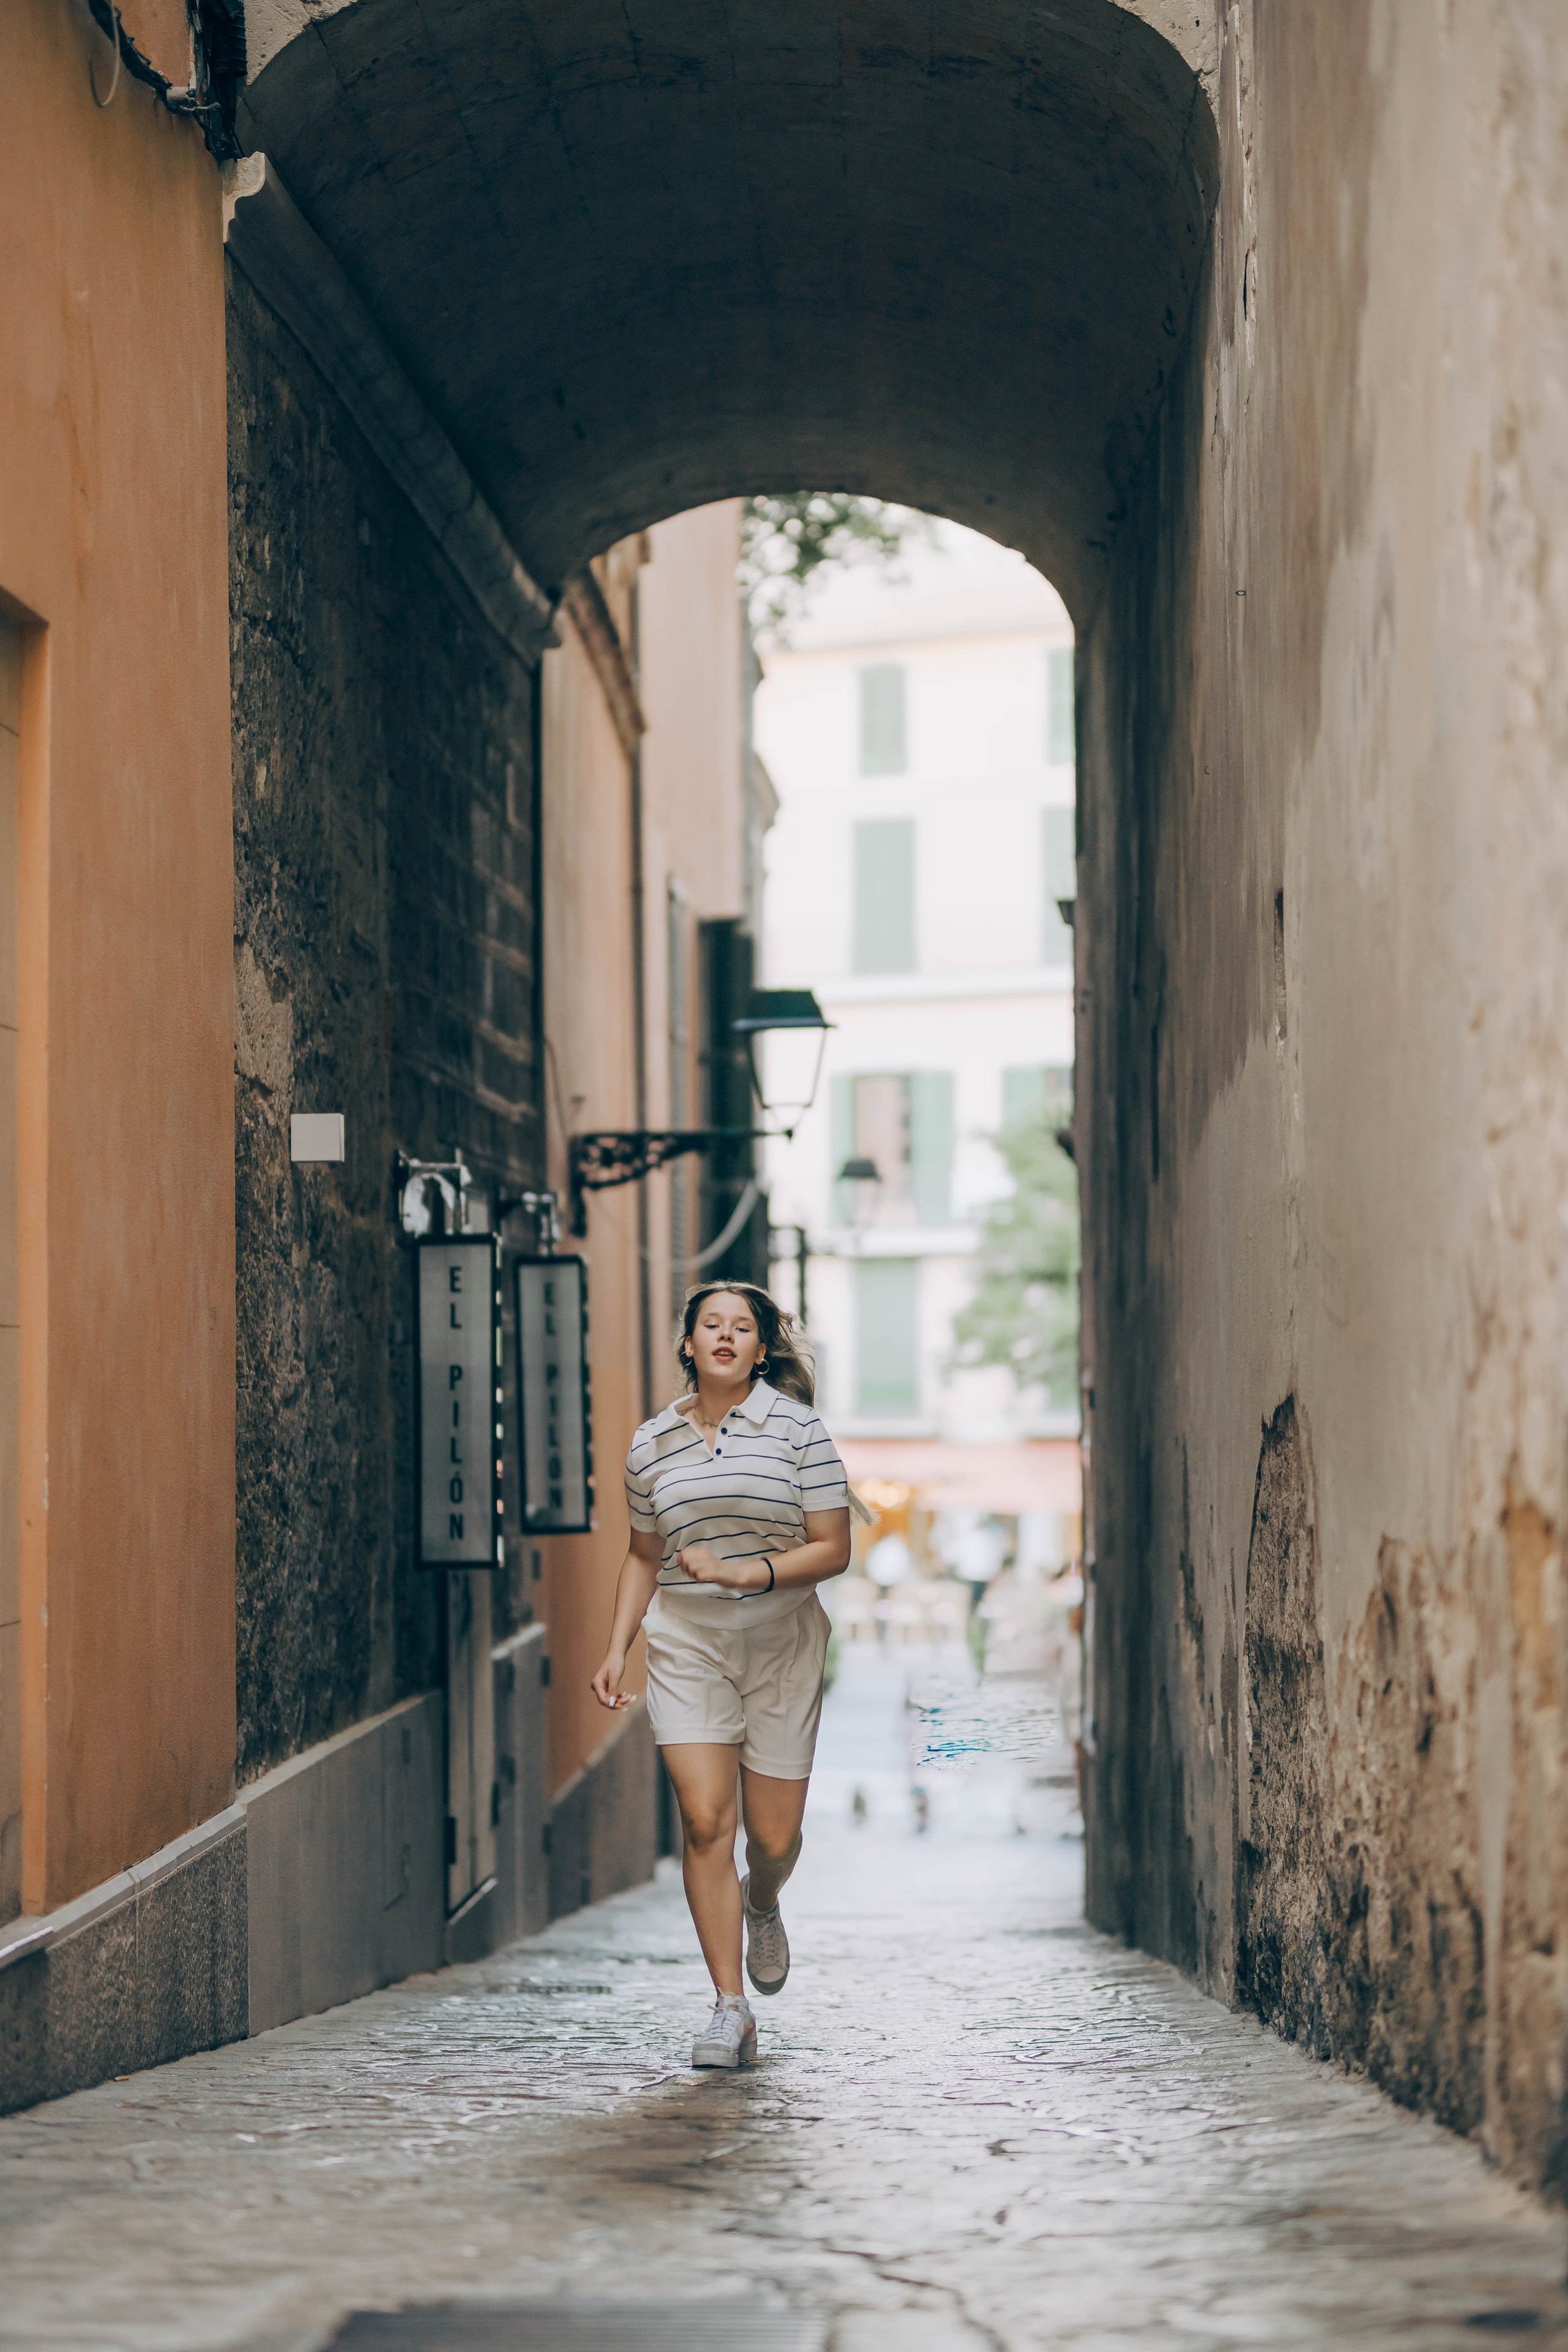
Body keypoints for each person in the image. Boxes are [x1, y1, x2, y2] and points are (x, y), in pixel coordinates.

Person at [590, 1281, 852, 2069]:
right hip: (688, 1642)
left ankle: (762, 1898)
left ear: (762, 1349)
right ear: (689, 1344)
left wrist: (748, 1574)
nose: (726, 1337)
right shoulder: (650, 1444)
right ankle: (728, 2008)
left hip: (781, 1640)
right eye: (712, 1325)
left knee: (769, 1838)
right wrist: (616, 1645)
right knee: (706, 1821)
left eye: (743, 1328)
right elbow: (643, 1555)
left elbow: (833, 1548)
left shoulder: (802, 1433)